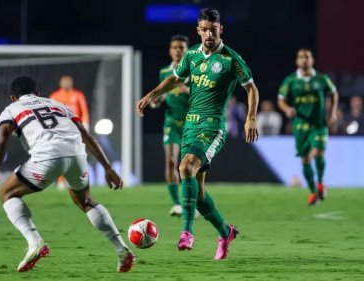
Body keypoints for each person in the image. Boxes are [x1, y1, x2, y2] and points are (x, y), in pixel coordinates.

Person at [137, 8, 259, 260]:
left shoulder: (231, 59)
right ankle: (226, 232)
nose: (208, 34)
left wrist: (251, 118)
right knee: (199, 195)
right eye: (204, 30)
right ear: (198, 30)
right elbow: (174, 79)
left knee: (185, 167)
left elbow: (251, 88)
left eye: (213, 30)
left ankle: (186, 232)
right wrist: (151, 95)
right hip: (189, 128)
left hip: (212, 127)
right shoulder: (191, 55)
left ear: (220, 29)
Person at [0, 76, 134, 273]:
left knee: (7, 193)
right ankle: (121, 249)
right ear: (38, 93)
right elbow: (86, 134)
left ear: (13, 97)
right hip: (77, 154)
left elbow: (3, 137)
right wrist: (108, 168)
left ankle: (34, 242)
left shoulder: (11, 109)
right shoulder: (57, 104)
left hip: (47, 157)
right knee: (86, 201)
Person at [278, 48, 339, 206]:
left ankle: (320, 183)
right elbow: (281, 99)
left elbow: (334, 93)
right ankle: (313, 192)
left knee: (318, 152)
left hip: (318, 124)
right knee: (305, 159)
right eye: (301, 57)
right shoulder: (291, 80)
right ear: (297, 61)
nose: (304, 60)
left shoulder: (321, 78)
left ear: (312, 60)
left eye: (307, 57)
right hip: (300, 126)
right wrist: (287, 109)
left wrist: (332, 113)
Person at [151, 34, 190, 216]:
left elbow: (205, 95)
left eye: (181, 47)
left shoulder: (195, 70)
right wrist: (155, 101)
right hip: (171, 122)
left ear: (187, 50)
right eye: (175, 47)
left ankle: (191, 203)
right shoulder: (164, 73)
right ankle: (176, 204)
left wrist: (187, 90)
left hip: (192, 123)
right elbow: (160, 97)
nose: (178, 50)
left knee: (190, 166)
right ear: (170, 51)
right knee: (171, 161)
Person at [50, 75, 90, 189]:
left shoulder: (78, 95)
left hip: (75, 129)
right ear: (60, 83)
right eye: (64, 82)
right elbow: (49, 113)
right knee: (61, 154)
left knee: (76, 154)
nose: (67, 84)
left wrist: (85, 124)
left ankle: (74, 179)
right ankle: (61, 180)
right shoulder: (55, 96)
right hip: (60, 129)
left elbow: (84, 111)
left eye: (69, 82)